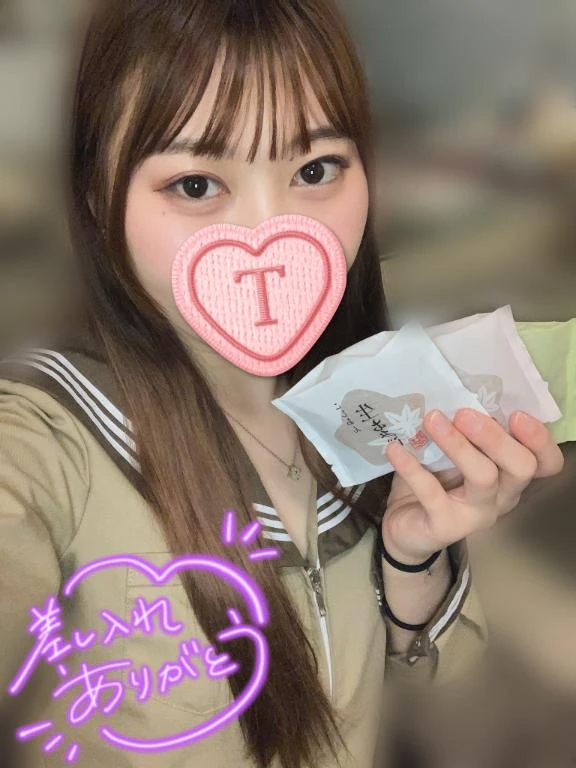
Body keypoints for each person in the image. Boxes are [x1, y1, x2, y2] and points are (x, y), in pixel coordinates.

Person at [0, 1, 564, 767]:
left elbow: (420, 684)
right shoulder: (45, 442)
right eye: (195, 184)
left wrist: (413, 558)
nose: (270, 237)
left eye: (315, 170)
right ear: (98, 198)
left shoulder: (363, 398)